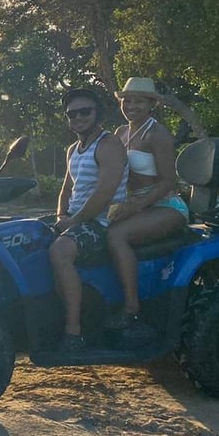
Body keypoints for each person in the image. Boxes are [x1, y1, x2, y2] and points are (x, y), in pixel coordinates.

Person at [106, 77, 189, 337]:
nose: (131, 106)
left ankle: (132, 308)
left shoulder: (157, 134)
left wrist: (135, 207)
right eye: (127, 101)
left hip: (164, 204)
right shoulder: (121, 133)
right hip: (134, 203)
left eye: (139, 101)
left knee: (116, 235)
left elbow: (167, 181)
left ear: (151, 104)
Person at [49, 87, 129, 348]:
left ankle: (73, 332)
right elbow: (67, 188)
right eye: (72, 114)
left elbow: (105, 192)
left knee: (61, 250)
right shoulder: (73, 149)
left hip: (102, 221)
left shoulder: (108, 145)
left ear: (98, 113)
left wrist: (74, 221)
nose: (78, 117)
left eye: (85, 111)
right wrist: (62, 214)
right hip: (77, 218)